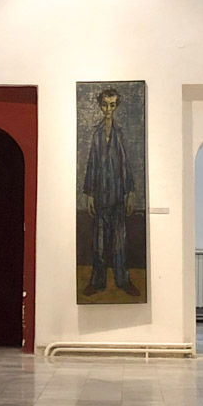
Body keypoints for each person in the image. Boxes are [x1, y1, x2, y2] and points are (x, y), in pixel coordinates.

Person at [82, 87, 140, 297]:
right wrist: (88, 193)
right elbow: (91, 164)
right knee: (98, 243)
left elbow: (125, 165)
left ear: (116, 107)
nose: (108, 109)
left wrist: (130, 192)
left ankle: (123, 280)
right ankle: (97, 282)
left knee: (118, 243)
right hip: (99, 196)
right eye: (105, 105)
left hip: (117, 195)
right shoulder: (97, 135)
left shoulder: (119, 134)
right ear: (100, 105)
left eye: (112, 105)